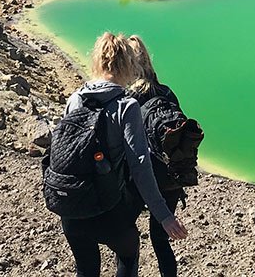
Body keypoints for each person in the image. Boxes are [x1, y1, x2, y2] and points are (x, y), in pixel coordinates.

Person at [49, 32, 187, 277]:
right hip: (107, 210)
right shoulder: (126, 106)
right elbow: (140, 165)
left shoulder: (75, 99)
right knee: (127, 255)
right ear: (128, 64)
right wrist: (163, 215)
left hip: (71, 208)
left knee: (86, 270)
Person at [126, 36, 190, 277]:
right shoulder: (166, 92)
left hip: (140, 178)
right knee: (160, 239)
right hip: (171, 177)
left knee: (127, 240)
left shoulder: (126, 98)